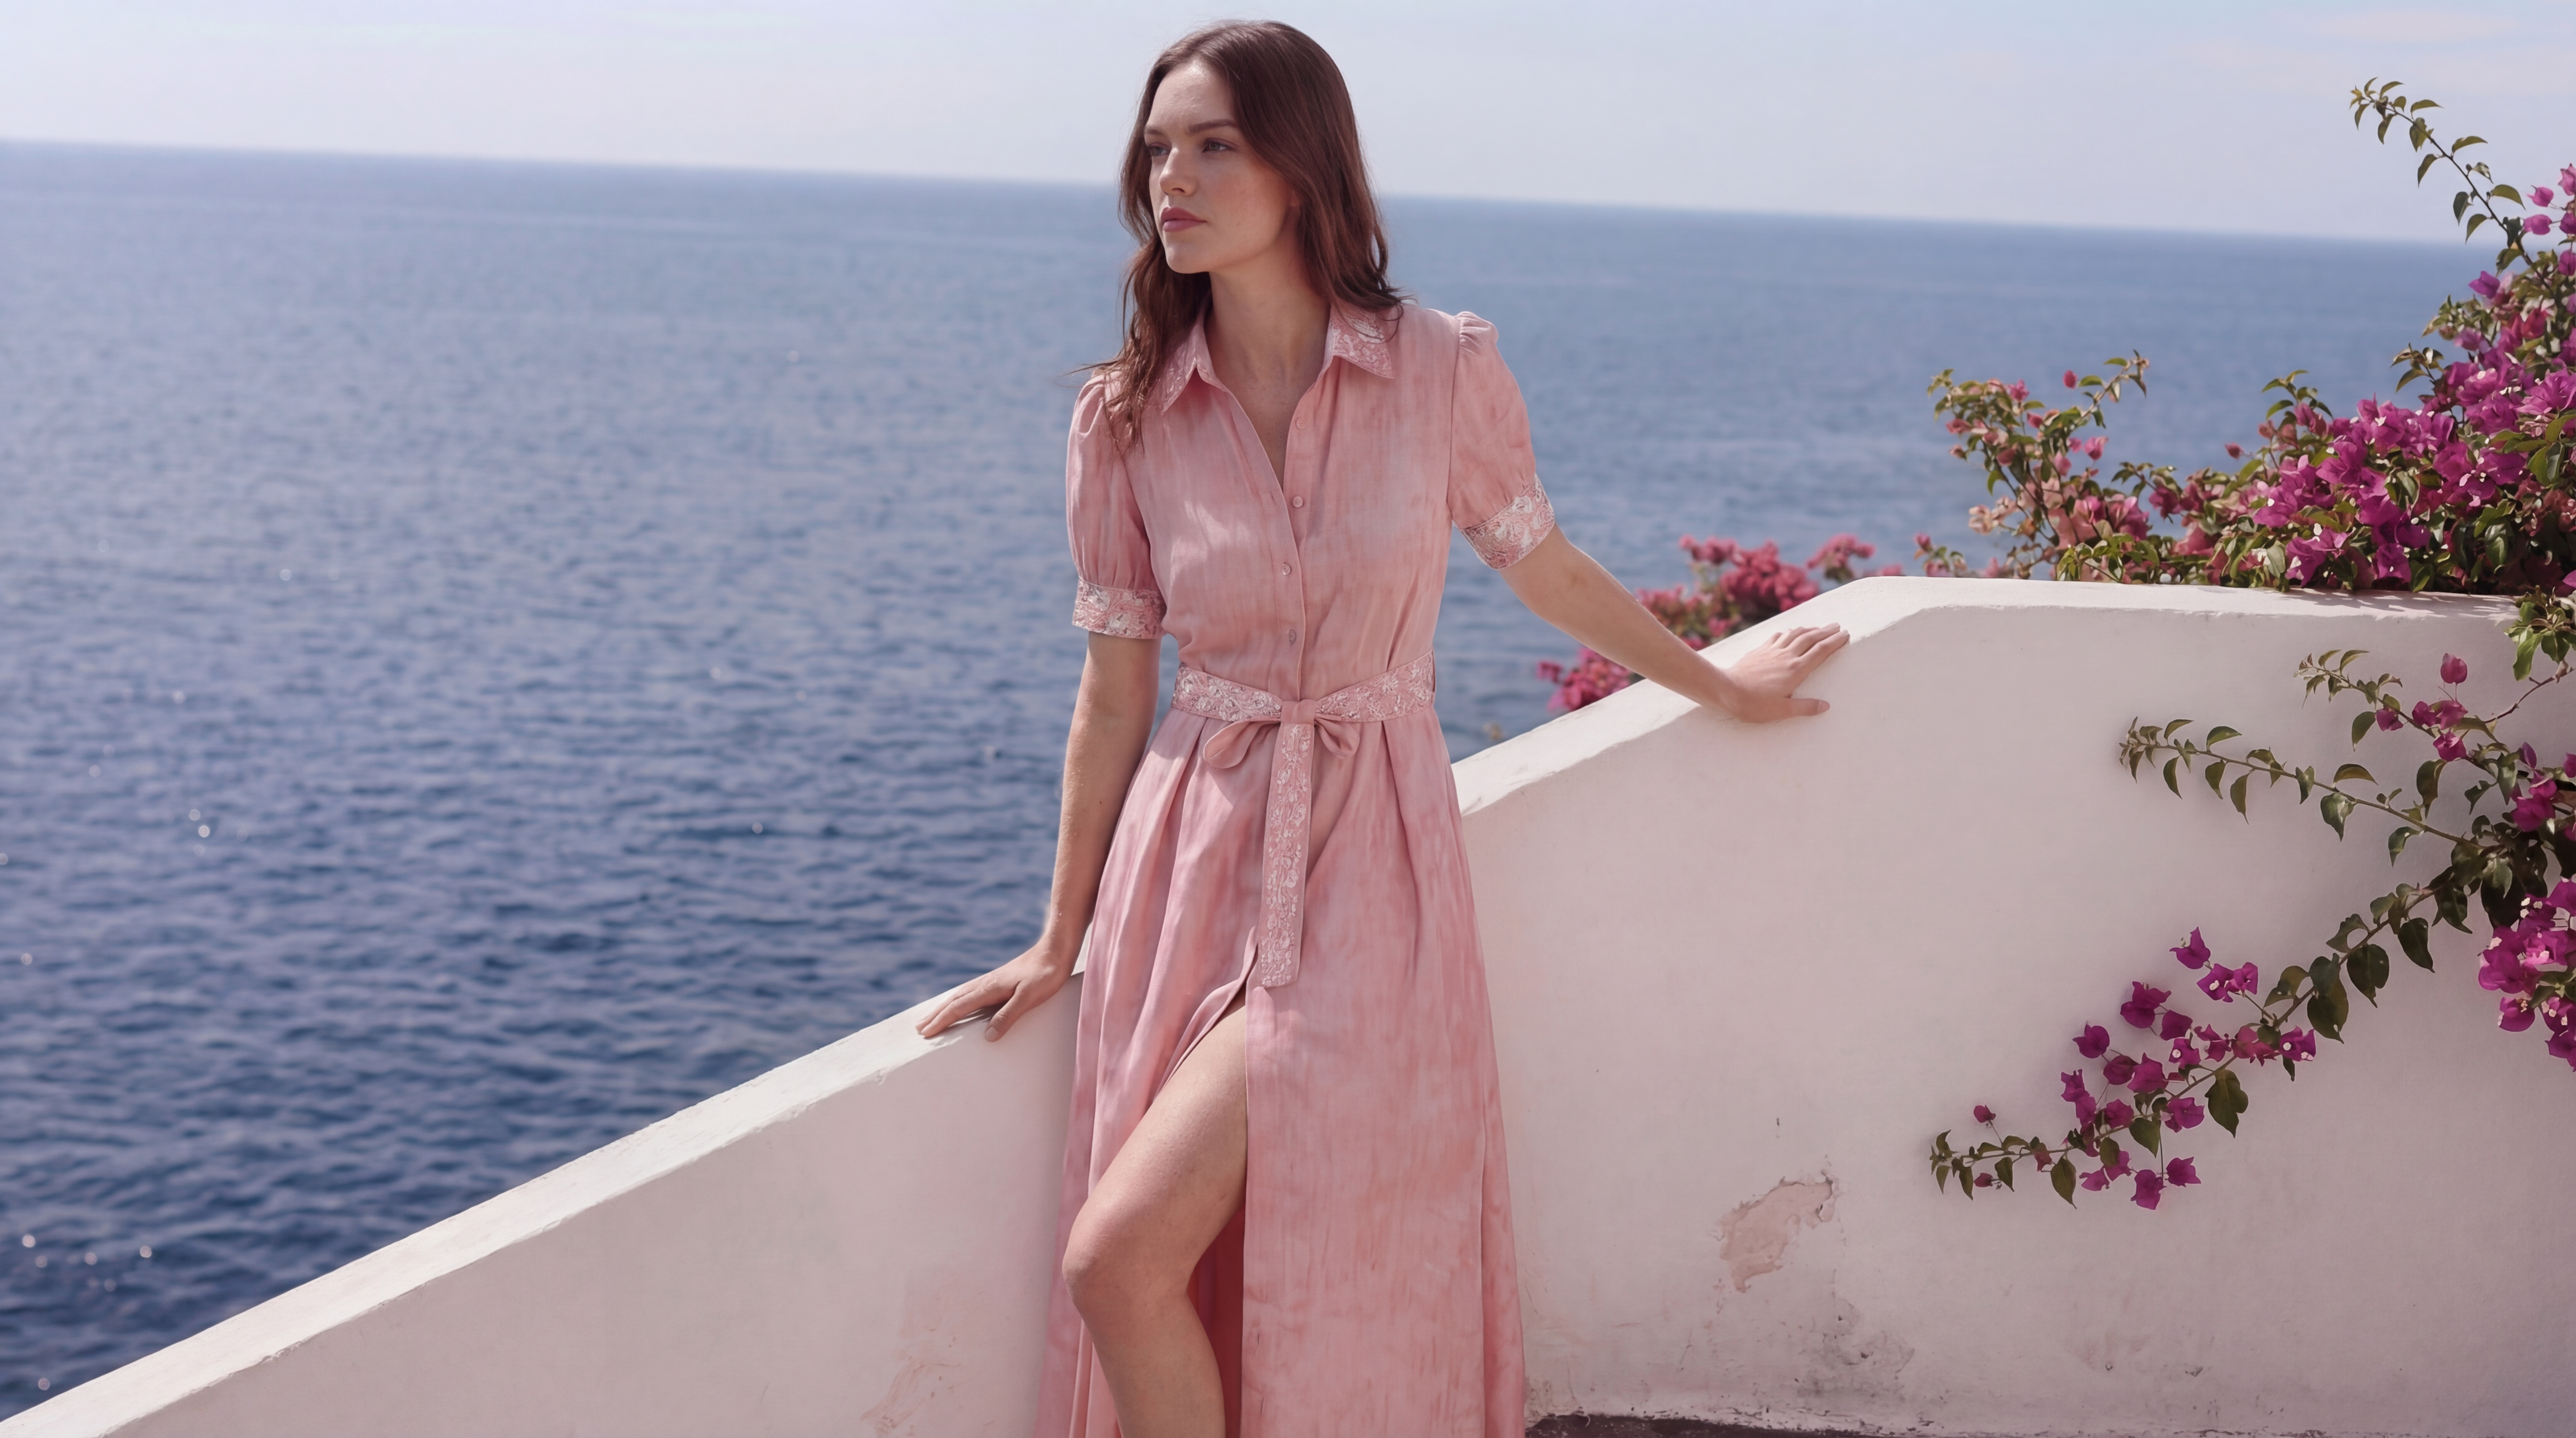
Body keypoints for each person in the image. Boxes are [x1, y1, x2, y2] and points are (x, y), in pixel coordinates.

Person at [915, 20, 1847, 1438]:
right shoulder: (1125, 421)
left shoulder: (1439, 368)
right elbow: (1114, 693)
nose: (1174, 177)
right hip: (1190, 862)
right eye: (1157, 148)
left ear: (1303, 166)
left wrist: (1724, 683)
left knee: (1156, 1257)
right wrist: (1062, 939)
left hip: (1373, 873)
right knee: (1149, 1264)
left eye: (1215, 143)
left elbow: (1543, 564)